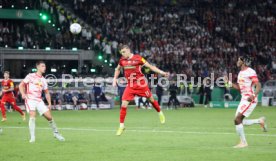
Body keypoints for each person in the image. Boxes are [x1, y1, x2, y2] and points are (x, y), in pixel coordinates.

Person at [112, 44, 169, 136]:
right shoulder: (122, 60)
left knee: (151, 100)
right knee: (123, 104)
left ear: (128, 50)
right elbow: (117, 69)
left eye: (124, 52)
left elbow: (150, 67)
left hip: (141, 84)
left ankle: (159, 112)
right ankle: (121, 126)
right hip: (130, 85)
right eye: (121, 53)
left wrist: (162, 72)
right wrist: (114, 79)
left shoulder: (138, 58)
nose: (123, 54)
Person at [224, 55, 267, 148]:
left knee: (237, 119)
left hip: (250, 99)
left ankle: (243, 143)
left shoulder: (250, 71)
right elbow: (239, 88)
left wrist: (253, 95)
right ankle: (259, 121)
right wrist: (229, 83)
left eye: (239, 60)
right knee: (239, 121)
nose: (237, 61)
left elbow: (258, 85)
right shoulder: (240, 73)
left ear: (243, 62)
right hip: (244, 99)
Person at [19, 61, 65, 143]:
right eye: (42, 66)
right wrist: (23, 93)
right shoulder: (30, 76)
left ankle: (56, 133)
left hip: (39, 100)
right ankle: (32, 137)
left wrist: (50, 103)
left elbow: (47, 92)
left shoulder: (43, 80)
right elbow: (21, 85)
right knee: (32, 116)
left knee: (49, 117)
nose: (44, 68)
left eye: (45, 66)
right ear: (38, 67)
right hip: (30, 99)